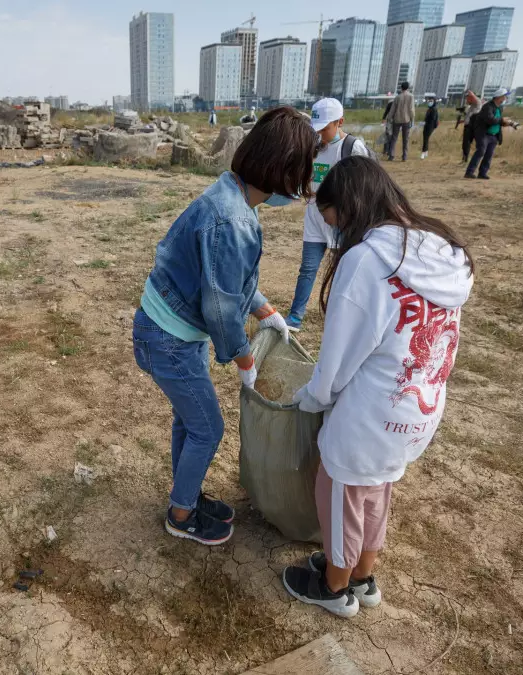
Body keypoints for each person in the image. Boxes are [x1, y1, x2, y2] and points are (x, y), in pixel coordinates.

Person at [281, 155, 474, 617]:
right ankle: (363, 576)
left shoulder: (367, 261)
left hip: (370, 413)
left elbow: (338, 360)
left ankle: (333, 587)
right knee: (377, 489)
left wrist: (311, 398)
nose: (333, 234)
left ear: (348, 207)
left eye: (331, 220)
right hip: (419, 406)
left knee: (340, 492)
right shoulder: (441, 251)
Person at [132, 107, 317, 546]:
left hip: (174, 330)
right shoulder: (232, 218)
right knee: (208, 428)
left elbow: (228, 280)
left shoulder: (233, 194)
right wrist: (245, 358)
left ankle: (187, 494)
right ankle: (181, 515)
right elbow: (220, 306)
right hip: (169, 338)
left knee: (190, 420)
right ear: (283, 170)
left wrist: (265, 310)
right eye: (302, 170)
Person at [288, 98, 372, 330]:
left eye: (325, 128)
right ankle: (295, 317)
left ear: (339, 122)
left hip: (340, 221)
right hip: (314, 219)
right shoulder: (315, 147)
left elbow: (364, 185)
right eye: (318, 129)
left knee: (342, 270)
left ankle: (339, 317)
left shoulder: (353, 148)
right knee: (307, 269)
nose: (320, 134)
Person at [464, 88, 516, 180]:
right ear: (499, 97)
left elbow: (498, 121)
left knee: (489, 154)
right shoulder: (487, 107)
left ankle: (482, 173)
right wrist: (502, 120)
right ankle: (469, 172)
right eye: (505, 96)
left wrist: (509, 123)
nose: (506, 98)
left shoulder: (499, 107)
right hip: (483, 134)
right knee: (480, 151)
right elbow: (490, 120)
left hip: (494, 135)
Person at [385, 82, 415, 162]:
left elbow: (392, 109)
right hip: (406, 120)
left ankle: (391, 155)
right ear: (408, 88)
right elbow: (411, 109)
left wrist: (389, 119)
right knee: (405, 139)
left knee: (394, 138)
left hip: (397, 119)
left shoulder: (397, 97)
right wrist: (412, 119)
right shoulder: (411, 96)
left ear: (401, 88)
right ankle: (404, 156)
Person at [459, 91, 482, 163]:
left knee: (468, 143)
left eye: (467, 98)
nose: (466, 100)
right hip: (468, 126)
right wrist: (463, 121)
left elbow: (475, 98)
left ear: (471, 98)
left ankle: (471, 160)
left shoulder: (477, 104)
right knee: (465, 143)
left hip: (472, 127)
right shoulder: (471, 107)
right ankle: (464, 158)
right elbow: (469, 116)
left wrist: (470, 92)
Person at [421, 95, 439, 159]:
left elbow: (433, 119)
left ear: (434, 102)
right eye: (429, 101)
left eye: (431, 101)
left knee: (425, 138)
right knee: (426, 138)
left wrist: (426, 122)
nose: (429, 102)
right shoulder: (430, 109)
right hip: (427, 125)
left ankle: (423, 152)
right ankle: (426, 152)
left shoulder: (434, 109)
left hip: (430, 126)